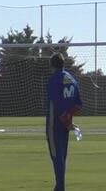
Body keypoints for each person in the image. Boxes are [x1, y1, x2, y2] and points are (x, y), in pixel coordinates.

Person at [46, 52, 83, 191]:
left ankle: (61, 188)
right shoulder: (72, 79)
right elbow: (78, 104)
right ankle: (58, 187)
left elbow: (56, 105)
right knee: (62, 157)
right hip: (65, 125)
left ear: (52, 65)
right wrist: (69, 119)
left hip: (54, 125)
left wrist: (65, 119)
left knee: (57, 158)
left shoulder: (54, 80)